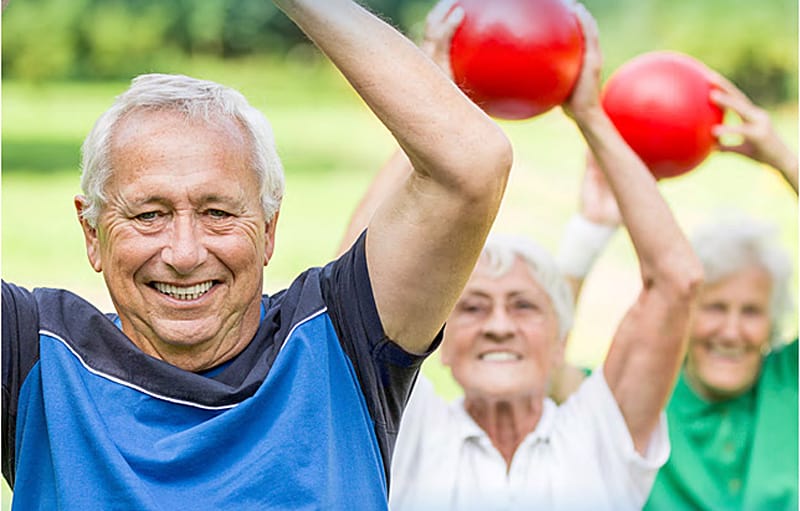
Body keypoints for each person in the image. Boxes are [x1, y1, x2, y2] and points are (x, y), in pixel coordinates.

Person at [0, 0, 514, 509]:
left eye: (218, 212)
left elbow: (472, 163)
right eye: (148, 215)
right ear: (92, 232)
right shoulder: (35, 357)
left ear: (268, 228)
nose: (184, 252)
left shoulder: (338, 341)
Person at [338, 3, 704, 510]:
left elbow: (676, 282)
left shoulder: (600, 437)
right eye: (472, 307)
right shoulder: (406, 431)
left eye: (525, 306)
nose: (498, 325)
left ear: (561, 343)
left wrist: (591, 116)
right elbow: (354, 282)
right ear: (438, 343)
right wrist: (435, 99)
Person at [640, 75, 799, 511]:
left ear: (773, 321)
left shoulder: (792, 380)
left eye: (751, 311)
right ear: (685, 313)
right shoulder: (639, 393)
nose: (730, 331)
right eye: (714, 307)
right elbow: (549, 361)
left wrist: (784, 161)